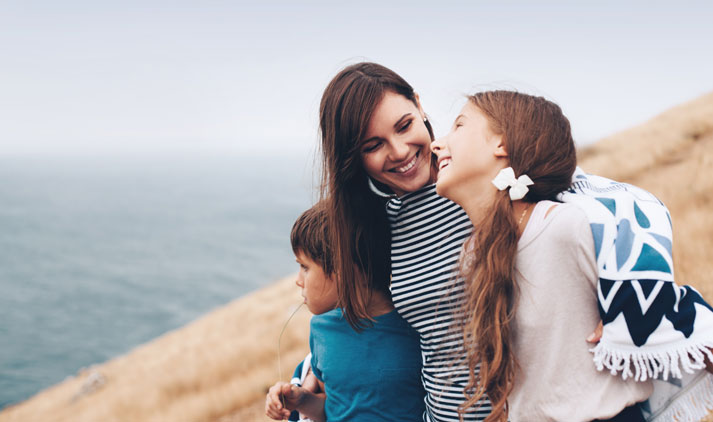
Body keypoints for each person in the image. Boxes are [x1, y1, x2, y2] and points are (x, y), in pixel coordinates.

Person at [430, 90, 713, 422]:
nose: (437, 144)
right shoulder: (474, 255)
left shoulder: (565, 227)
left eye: (459, 125)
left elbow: (681, 319)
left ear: (502, 144)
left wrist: (630, 317)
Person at [318, 62, 491, 421]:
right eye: (373, 145)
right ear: (353, 159)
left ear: (419, 105)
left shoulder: (479, 176)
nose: (398, 151)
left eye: (404, 126)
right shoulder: (379, 227)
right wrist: (309, 378)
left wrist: (616, 313)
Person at [265, 202, 425, 422]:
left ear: (343, 270)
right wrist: (301, 400)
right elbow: (331, 407)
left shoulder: (416, 325)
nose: (298, 280)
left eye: (305, 267)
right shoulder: (321, 328)